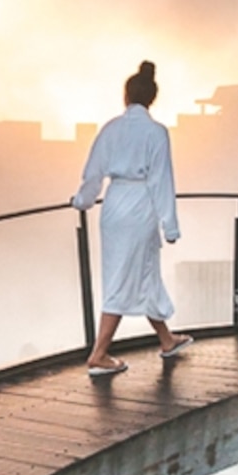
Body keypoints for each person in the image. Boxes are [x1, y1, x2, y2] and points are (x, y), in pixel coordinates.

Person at [73, 61, 194, 378]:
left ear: (126, 96)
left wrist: (82, 202)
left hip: (113, 208)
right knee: (126, 276)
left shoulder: (111, 129)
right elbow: (161, 181)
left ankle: (167, 340)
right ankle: (98, 354)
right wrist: (170, 226)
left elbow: (93, 172)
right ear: (152, 99)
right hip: (141, 207)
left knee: (142, 273)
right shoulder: (156, 133)